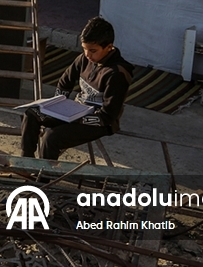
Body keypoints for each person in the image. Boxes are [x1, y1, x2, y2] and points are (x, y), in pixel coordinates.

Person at [21, 16, 133, 161]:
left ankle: (43, 176)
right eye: (84, 49)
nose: (87, 55)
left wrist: (78, 120)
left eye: (93, 51)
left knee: (52, 137)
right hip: (74, 111)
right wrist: (58, 105)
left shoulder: (117, 73)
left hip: (99, 123)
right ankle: (26, 162)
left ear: (109, 47)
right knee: (32, 114)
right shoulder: (84, 59)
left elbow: (108, 116)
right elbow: (65, 82)